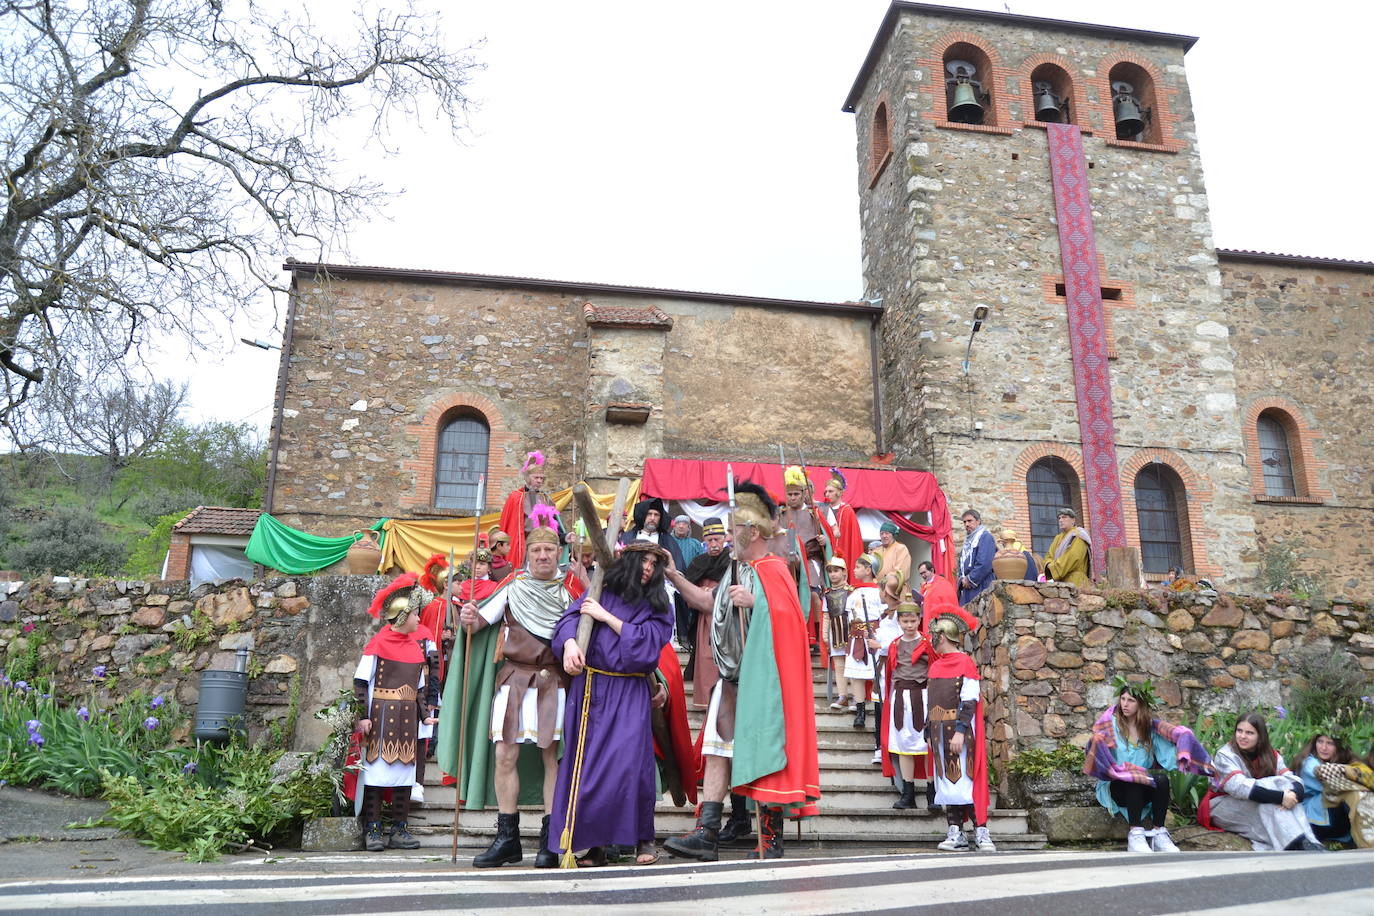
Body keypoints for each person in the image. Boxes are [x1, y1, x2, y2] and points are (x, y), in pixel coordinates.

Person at [664, 482, 820, 861]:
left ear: (752, 532)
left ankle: (770, 838)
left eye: (734, 531)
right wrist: (674, 575)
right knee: (718, 751)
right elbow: (706, 601)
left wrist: (756, 603)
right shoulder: (739, 568)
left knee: (764, 748)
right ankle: (707, 833)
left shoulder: (773, 570)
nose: (728, 538)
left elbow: (790, 621)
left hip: (762, 684)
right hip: (730, 681)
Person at [448, 520, 573, 868]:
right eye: (536, 550)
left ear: (559, 553)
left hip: (554, 681)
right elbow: (476, 626)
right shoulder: (511, 588)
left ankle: (551, 840)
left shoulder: (571, 591)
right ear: (528, 554)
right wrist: (468, 616)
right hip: (514, 680)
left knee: (553, 759)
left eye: (549, 549)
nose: (543, 555)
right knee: (505, 755)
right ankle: (507, 839)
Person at [549, 541, 675, 867]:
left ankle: (643, 838)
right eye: (644, 561)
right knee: (589, 769)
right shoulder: (601, 588)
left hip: (629, 691)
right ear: (631, 562)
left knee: (629, 766)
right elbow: (567, 621)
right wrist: (570, 646)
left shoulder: (659, 605)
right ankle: (595, 846)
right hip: (590, 689)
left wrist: (607, 618)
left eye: (654, 564)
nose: (648, 568)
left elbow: (647, 647)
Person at [354, 573, 438, 851]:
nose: (418, 619)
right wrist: (362, 717)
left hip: (406, 721)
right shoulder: (376, 646)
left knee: (404, 776)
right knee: (377, 776)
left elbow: (420, 689)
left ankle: (400, 829)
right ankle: (373, 830)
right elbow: (361, 682)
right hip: (380, 717)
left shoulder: (415, 649)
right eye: (415, 614)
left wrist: (425, 716)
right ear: (401, 617)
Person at [1083, 676, 1212, 852]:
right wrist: (1097, 741)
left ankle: (1159, 833)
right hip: (1117, 786)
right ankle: (1135, 834)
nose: (1125, 704)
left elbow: (1170, 754)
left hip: (1141, 786)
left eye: (1131, 700)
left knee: (1161, 780)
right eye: (1123, 699)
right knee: (1134, 778)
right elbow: (1096, 747)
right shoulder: (1110, 725)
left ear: (1141, 705)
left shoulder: (1150, 729)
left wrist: (1183, 738)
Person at [925, 601, 995, 852]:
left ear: (942, 636)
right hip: (938, 734)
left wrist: (960, 731)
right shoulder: (935, 666)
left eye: (935, 636)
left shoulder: (965, 663)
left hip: (958, 734)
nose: (932, 640)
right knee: (947, 784)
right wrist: (927, 731)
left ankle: (981, 832)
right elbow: (930, 701)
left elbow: (970, 699)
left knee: (966, 781)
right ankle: (956, 832)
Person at [1203, 712, 1325, 851]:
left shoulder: (1271, 754)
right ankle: (1299, 843)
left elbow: (1292, 779)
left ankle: (1308, 842)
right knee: (1273, 789)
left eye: (1249, 733)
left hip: (1258, 802)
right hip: (1222, 805)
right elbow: (1239, 788)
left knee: (1277, 794)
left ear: (1260, 736)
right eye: (1239, 731)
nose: (1242, 736)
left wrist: (1292, 796)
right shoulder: (1225, 755)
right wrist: (1281, 797)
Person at [667, 517, 731, 707]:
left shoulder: (732, 561)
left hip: (727, 618)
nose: (714, 544)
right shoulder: (699, 562)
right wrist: (700, 595)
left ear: (724, 539)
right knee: (706, 658)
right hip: (704, 620)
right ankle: (707, 701)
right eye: (709, 540)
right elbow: (687, 588)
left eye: (717, 540)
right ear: (704, 541)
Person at [879, 602, 931, 809]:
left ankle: (932, 793)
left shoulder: (928, 643)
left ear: (919, 620)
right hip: (900, 697)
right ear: (899, 621)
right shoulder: (894, 644)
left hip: (924, 696)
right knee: (903, 745)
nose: (909, 625)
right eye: (905, 621)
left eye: (913, 621)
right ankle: (908, 794)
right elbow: (891, 672)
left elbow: (936, 670)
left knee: (927, 744)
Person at [776, 465, 828, 651]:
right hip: (786, 560)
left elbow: (830, 534)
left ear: (803, 493)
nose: (792, 498)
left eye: (796, 494)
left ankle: (815, 636)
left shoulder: (815, 513)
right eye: (790, 495)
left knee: (813, 594)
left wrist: (824, 540)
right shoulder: (781, 514)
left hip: (810, 560)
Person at [834, 553, 883, 726]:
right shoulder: (853, 593)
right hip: (855, 639)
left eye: (858, 567)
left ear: (868, 570)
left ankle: (880, 711)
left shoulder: (879, 592)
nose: (853, 570)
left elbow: (884, 616)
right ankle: (860, 712)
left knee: (879, 675)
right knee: (857, 677)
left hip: (873, 638)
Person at [499, 451, 562, 565]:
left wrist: (565, 536)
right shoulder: (516, 497)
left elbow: (555, 524)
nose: (539, 481)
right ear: (527, 478)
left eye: (541, 478)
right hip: (522, 545)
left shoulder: (546, 498)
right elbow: (508, 525)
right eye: (536, 477)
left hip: (542, 545)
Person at [1295, 733, 1355, 846]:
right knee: (1347, 794)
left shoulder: (1340, 762)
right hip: (1313, 819)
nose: (1323, 748)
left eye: (1330, 743)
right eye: (1320, 742)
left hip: (1331, 816)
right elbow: (1333, 783)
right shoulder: (1309, 763)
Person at [1314, 747, 1374, 848]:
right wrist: (1343, 770)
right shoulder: (1360, 767)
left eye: (1329, 743)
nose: (1324, 747)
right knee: (1360, 796)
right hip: (1331, 813)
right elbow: (1322, 771)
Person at [820, 468, 864, 588]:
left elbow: (851, 540)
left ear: (839, 493)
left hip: (841, 553)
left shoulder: (847, 511)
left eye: (830, 491)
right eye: (826, 492)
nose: (827, 494)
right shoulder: (822, 510)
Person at [820, 557, 851, 702]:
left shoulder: (851, 591)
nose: (833, 574)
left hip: (851, 631)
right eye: (830, 571)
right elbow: (826, 616)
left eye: (836, 571)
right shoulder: (827, 594)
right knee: (839, 665)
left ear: (844, 572)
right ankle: (842, 695)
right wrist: (825, 635)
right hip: (835, 632)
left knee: (853, 664)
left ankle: (857, 697)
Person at [1043, 508, 1091, 587]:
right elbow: (1049, 556)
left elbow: (1073, 557)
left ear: (1073, 520)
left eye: (1064, 517)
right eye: (1059, 518)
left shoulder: (1078, 535)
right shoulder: (1058, 538)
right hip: (1060, 582)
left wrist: (1052, 566)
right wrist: (1049, 564)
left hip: (1076, 581)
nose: (1061, 520)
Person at [956, 509, 996, 606]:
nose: (967, 524)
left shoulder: (985, 537)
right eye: (964, 522)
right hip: (967, 588)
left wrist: (970, 579)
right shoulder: (967, 542)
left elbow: (985, 562)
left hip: (981, 585)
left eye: (970, 521)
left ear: (978, 521)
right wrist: (962, 580)